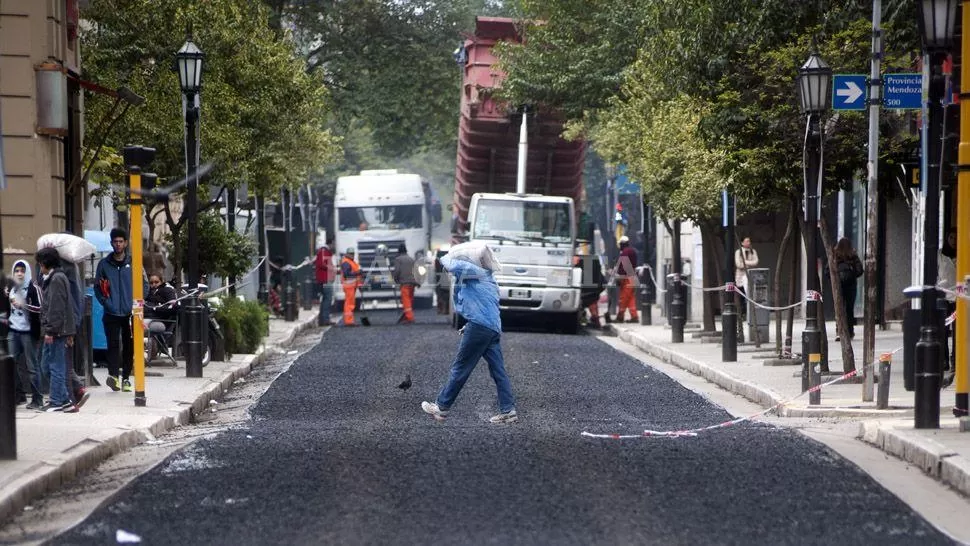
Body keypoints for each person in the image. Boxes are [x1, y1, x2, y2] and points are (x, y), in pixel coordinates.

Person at [421, 243, 517, 423]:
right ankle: (508, 411)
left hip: (480, 327)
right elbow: (484, 306)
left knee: (460, 368)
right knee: (498, 371)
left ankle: (441, 407)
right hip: (492, 329)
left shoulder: (472, 271)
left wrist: (444, 256)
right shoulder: (489, 278)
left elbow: (453, 265)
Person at [35, 247, 78, 413]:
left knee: (54, 366)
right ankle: (64, 400)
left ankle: (57, 401)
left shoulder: (57, 279)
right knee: (46, 365)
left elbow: (57, 307)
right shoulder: (52, 278)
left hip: (56, 331)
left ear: (45, 263)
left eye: (40, 264)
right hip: (54, 329)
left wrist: (51, 331)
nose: (39, 267)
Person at [94, 227, 134, 393]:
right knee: (113, 345)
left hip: (129, 312)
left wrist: (135, 303)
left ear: (125, 243)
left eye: (120, 241)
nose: (118, 244)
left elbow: (144, 284)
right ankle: (113, 377)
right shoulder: (104, 264)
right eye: (115, 242)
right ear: (111, 243)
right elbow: (97, 287)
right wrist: (106, 302)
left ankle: (126, 378)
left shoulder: (132, 263)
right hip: (110, 312)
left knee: (129, 345)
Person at [5, 260, 43, 409]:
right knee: (10, 364)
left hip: (28, 332)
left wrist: (24, 305)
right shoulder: (11, 287)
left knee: (32, 367)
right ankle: (19, 395)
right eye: (17, 270)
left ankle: (37, 398)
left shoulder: (34, 288)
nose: (19, 273)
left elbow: (41, 308)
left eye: (22, 270)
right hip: (13, 330)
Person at [834, 238, 863, 340]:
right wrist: (852, 274)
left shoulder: (835, 255)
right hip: (851, 286)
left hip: (838, 287)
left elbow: (827, 271)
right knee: (849, 309)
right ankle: (850, 332)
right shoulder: (853, 255)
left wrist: (836, 277)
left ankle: (839, 331)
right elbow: (860, 270)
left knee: (839, 309)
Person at [612, 236, 639, 323]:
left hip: (627, 278)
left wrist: (620, 278)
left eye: (620, 244)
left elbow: (624, 268)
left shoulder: (625, 252)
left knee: (623, 298)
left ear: (623, 244)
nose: (619, 246)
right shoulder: (632, 251)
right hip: (632, 277)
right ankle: (634, 316)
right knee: (630, 298)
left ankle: (620, 316)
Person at [575, 254, 605, 328]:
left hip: (583, 295)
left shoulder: (579, 268)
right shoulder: (595, 269)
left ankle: (585, 318)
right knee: (593, 307)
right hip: (592, 294)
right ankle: (595, 321)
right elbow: (603, 283)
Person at [391, 243, 418, 324]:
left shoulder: (398, 259)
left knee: (406, 301)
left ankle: (410, 318)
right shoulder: (411, 259)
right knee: (409, 300)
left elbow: (397, 271)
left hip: (405, 283)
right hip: (412, 283)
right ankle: (406, 316)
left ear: (399, 251)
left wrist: (395, 279)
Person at [734, 236, 759, 320]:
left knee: (750, 295)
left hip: (750, 276)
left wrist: (745, 263)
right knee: (742, 297)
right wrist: (748, 264)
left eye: (749, 241)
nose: (749, 243)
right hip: (740, 277)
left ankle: (750, 314)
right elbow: (738, 264)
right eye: (747, 241)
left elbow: (756, 262)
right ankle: (742, 314)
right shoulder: (738, 252)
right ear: (742, 243)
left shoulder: (753, 251)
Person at [314, 236, 337, 326]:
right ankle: (325, 319)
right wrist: (333, 269)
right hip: (325, 280)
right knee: (327, 299)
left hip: (325, 279)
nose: (335, 245)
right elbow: (322, 264)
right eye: (334, 243)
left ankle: (323, 319)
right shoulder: (324, 251)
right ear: (330, 243)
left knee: (325, 299)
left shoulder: (325, 251)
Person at [340, 248, 362, 326]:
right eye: (351, 253)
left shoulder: (351, 262)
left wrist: (359, 285)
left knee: (350, 303)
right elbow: (347, 274)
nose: (352, 255)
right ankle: (349, 321)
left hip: (351, 286)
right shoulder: (346, 262)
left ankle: (349, 320)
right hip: (349, 286)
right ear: (347, 254)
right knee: (349, 304)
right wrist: (357, 273)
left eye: (353, 253)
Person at [434, 246, 452, 315]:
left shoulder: (438, 260)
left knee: (441, 295)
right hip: (447, 281)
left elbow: (436, 271)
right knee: (446, 296)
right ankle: (445, 309)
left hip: (440, 281)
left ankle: (442, 309)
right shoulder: (449, 260)